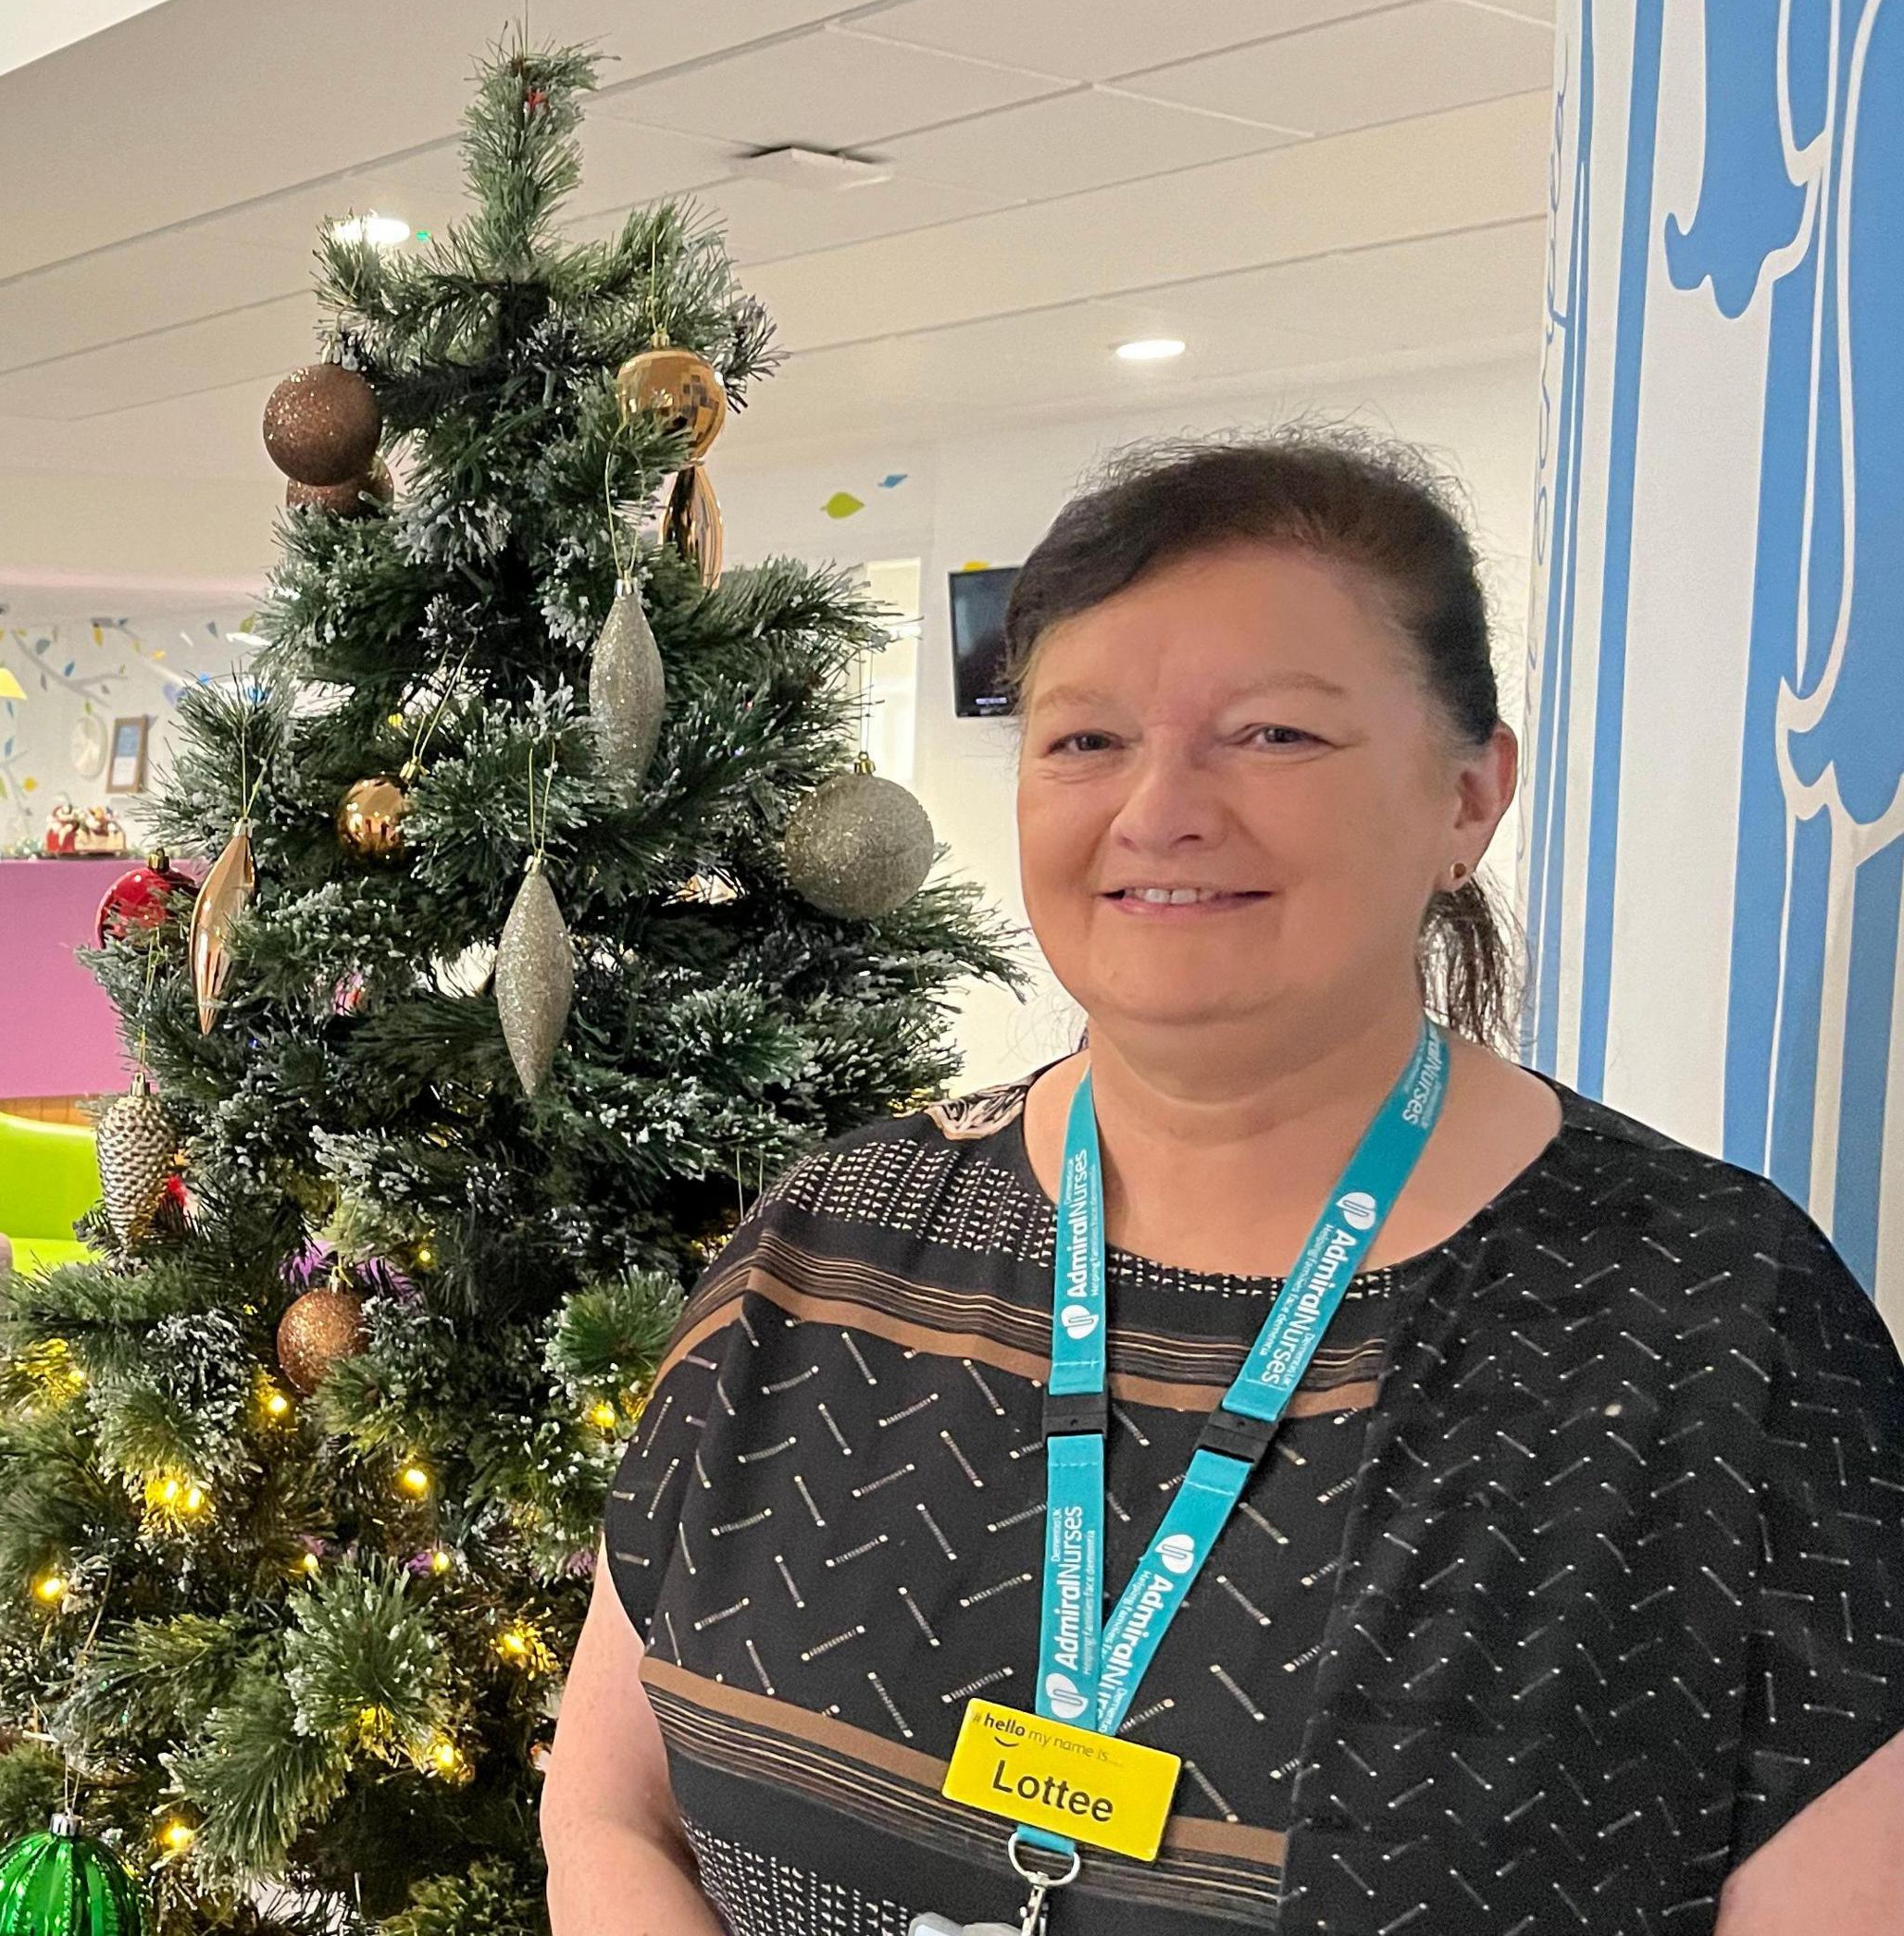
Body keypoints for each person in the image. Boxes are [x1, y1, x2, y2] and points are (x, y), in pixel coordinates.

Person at [543, 435, 1904, 1933]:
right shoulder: (829, 1244)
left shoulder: (1714, 1328)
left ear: (1469, 796)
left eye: (1271, 736)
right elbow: (612, 1808)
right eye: (1083, 741)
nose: (1161, 811)